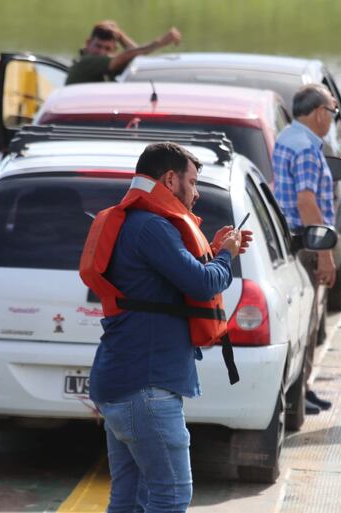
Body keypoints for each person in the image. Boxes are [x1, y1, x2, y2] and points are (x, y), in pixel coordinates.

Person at [81, 142, 250, 512]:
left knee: (130, 499)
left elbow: (177, 276)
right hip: (147, 387)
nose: (197, 192)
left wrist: (216, 248)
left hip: (121, 381)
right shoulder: (153, 228)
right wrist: (226, 256)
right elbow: (204, 283)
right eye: (192, 182)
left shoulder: (134, 223)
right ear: (170, 179)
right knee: (171, 496)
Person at [272, 84, 338, 415]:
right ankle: (300, 395)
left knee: (300, 322)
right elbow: (306, 200)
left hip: (290, 240)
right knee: (308, 322)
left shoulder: (286, 137)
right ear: (318, 113)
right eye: (332, 112)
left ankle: (302, 390)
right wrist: (326, 255)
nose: (332, 119)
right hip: (309, 243)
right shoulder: (308, 149)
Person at [66, 20, 181, 85]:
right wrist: (160, 42)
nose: (101, 52)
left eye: (107, 49)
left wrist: (120, 35)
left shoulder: (107, 67)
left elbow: (137, 57)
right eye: (98, 46)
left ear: (114, 50)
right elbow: (126, 56)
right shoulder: (86, 62)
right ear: (88, 43)